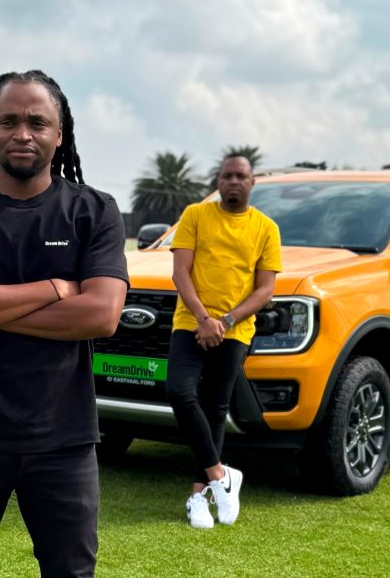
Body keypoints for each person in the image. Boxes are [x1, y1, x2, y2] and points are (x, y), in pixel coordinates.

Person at [0, 70, 128, 577]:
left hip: (64, 438)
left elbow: (101, 315)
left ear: (59, 133)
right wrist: (53, 288)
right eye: (8, 121)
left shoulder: (94, 211)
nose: (22, 133)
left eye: (37, 122)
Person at [166, 154, 281, 529]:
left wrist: (226, 321)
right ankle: (221, 475)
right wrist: (204, 319)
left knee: (215, 409)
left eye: (240, 176)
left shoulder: (266, 228)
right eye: (227, 175)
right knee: (179, 392)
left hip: (235, 330)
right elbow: (180, 272)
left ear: (252, 182)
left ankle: (198, 496)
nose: (233, 181)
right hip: (191, 323)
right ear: (217, 181)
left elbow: (265, 290)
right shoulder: (196, 215)